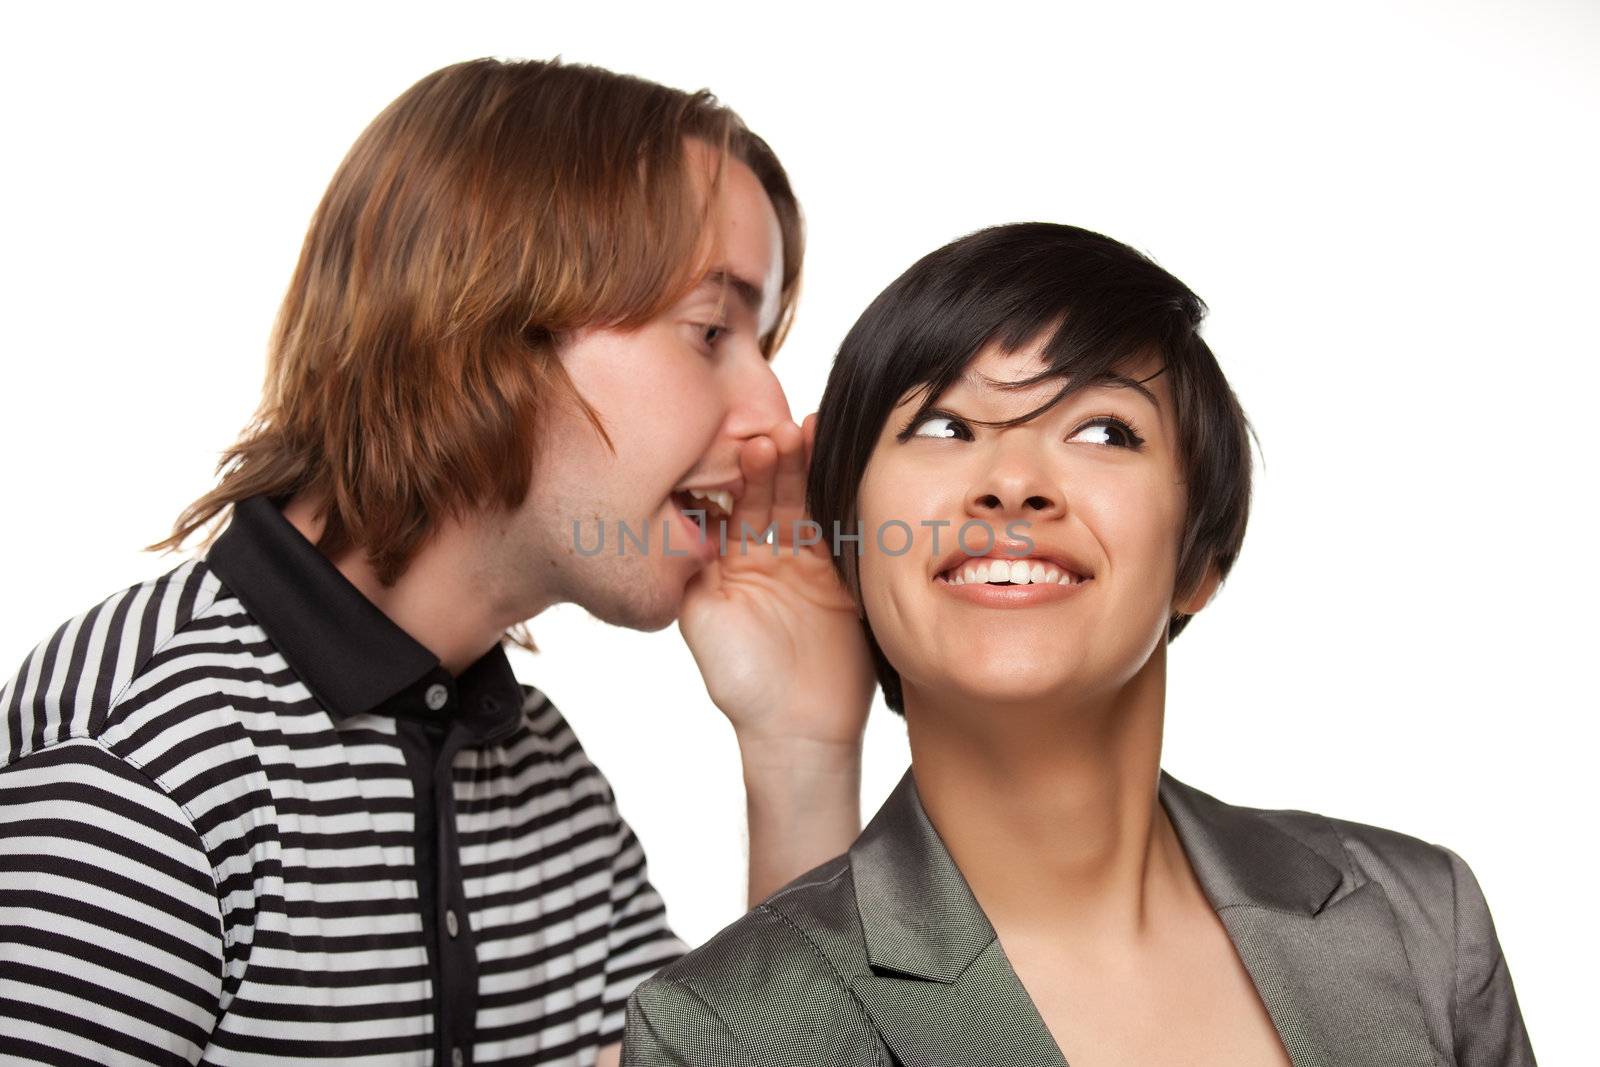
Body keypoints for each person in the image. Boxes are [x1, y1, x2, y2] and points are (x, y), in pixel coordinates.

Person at [0, 58, 874, 1066]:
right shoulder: (147, 757)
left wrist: (798, 751)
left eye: (762, 342)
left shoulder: (542, 775)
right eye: (711, 329)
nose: (771, 410)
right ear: (487, 326)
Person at [621, 222, 1536, 1066]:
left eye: (1105, 429)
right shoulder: (725, 1027)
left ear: (1199, 560)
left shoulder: (1421, 922)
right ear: (851, 553)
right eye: (944, 425)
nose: (1014, 481)